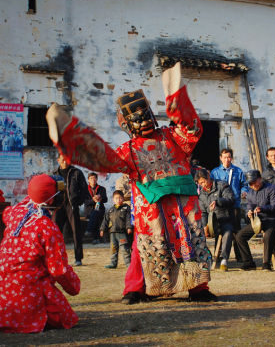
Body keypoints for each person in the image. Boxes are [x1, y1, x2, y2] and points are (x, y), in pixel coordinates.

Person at [46, 62, 216, 303]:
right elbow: (107, 160)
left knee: (176, 241)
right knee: (149, 243)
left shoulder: (165, 138)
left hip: (180, 201)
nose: (143, 120)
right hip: (158, 204)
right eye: (137, 116)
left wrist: (175, 99)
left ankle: (193, 288)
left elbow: (191, 130)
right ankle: (138, 288)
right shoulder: (142, 145)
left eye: (143, 114)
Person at [0, 174, 80, 333]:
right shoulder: (47, 227)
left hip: (4, 297)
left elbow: (8, 211)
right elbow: (58, 269)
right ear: (51, 200)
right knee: (67, 317)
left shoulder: (15, 213)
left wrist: (35, 194)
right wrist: (74, 286)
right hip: (29, 292)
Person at [235, 170, 275, 271]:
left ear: (260, 179)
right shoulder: (250, 193)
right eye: (250, 184)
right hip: (258, 221)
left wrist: (263, 208)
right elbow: (249, 207)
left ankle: (266, 263)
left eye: (254, 182)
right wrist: (249, 213)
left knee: (268, 237)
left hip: (273, 220)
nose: (253, 185)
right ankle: (248, 262)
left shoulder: (271, 188)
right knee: (240, 236)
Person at [195, 168, 235, 271]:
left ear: (208, 177)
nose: (203, 184)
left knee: (227, 232)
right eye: (200, 183)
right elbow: (203, 213)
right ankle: (207, 259)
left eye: (204, 181)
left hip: (225, 218)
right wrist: (205, 226)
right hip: (211, 223)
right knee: (197, 235)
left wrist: (218, 202)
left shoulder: (222, 185)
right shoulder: (202, 195)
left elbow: (230, 199)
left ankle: (224, 259)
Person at [53, 154, 90, 266]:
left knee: (76, 232)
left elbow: (84, 189)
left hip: (71, 206)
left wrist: (77, 202)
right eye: (62, 159)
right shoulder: (55, 174)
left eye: (67, 159)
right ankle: (56, 258)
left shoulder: (76, 173)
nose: (65, 161)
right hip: (58, 206)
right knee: (55, 232)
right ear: (58, 160)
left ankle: (78, 258)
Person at [211, 148, 249, 234]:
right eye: (224, 157)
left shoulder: (238, 171)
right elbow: (212, 188)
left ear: (231, 158)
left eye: (228, 157)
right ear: (221, 158)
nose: (227, 159)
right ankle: (221, 248)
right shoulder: (215, 172)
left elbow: (244, 184)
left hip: (235, 204)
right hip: (220, 205)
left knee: (236, 230)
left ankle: (237, 247)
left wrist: (244, 191)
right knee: (220, 231)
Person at [100, 190, 132, 268]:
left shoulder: (126, 208)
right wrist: (102, 229)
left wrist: (129, 227)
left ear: (123, 199)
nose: (118, 200)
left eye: (120, 198)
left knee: (125, 249)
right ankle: (113, 263)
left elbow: (128, 219)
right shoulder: (110, 210)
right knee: (113, 249)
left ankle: (129, 264)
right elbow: (105, 220)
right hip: (113, 233)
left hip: (122, 233)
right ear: (113, 200)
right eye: (116, 198)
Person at [84, 172, 108, 244]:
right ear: (88, 180)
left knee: (96, 213)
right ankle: (96, 238)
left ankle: (89, 230)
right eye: (91, 178)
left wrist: (100, 198)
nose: (93, 180)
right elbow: (85, 201)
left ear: (97, 179)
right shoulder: (85, 190)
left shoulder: (102, 189)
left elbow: (105, 200)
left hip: (100, 209)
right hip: (89, 211)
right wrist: (93, 200)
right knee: (94, 215)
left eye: (94, 178)